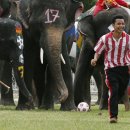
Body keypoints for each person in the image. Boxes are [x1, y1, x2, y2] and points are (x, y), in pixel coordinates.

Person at [91, 15, 130, 123]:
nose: (121, 26)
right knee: (114, 90)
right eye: (119, 24)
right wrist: (94, 59)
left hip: (124, 68)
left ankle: (111, 102)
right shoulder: (105, 38)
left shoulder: (128, 38)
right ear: (113, 25)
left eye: (123, 24)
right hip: (110, 68)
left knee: (120, 91)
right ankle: (113, 116)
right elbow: (98, 51)